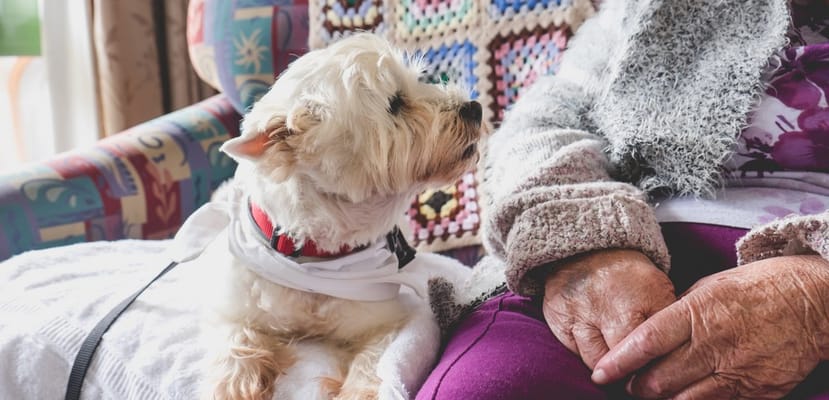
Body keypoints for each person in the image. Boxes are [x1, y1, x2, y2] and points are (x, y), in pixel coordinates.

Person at [416, 0, 829, 398]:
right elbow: (540, 124)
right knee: (486, 388)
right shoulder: (645, 8)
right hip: (617, 241)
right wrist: (585, 243)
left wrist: (816, 301)